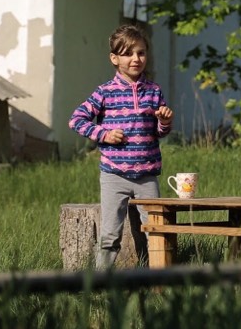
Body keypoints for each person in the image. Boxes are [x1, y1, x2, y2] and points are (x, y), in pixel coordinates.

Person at [68, 24, 173, 269]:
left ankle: (157, 280)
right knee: (110, 235)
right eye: (127, 53)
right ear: (114, 58)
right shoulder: (105, 92)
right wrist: (102, 134)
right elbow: (76, 119)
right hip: (114, 174)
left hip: (147, 176)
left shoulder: (153, 92)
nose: (136, 59)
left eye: (141, 53)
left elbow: (159, 133)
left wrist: (165, 121)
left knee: (155, 231)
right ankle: (99, 282)